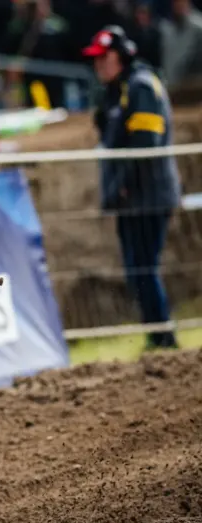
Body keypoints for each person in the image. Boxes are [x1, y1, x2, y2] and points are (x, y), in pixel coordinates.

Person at [84, 26, 181, 349]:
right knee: (137, 270)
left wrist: (123, 186)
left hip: (147, 196)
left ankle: (164, 337)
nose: (98, 64)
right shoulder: (118, 89)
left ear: (122, 56)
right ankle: (158, 335)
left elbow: (146, 142)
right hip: (131, 198)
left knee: (143, 268)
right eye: (96, 58)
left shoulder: (141, 85)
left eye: (104, 57)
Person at [159, 0, 202, 88]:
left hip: (194, 87)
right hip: (171, 87)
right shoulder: (165, 28)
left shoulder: (198, 28)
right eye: (176, 2)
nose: (178, 4)